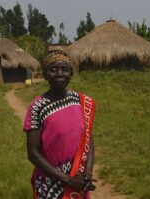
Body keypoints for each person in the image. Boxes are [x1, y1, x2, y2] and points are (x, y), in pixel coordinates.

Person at [23, 50, 96, 199]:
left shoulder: (80, 101)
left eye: (65, 69)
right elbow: (33, 154)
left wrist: (87, 173)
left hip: (78, 179)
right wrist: (68, 179)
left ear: (71, 74)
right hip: (51, 183)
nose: (59, 74)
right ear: (45, 74)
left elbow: (88, 139)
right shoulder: (38, 107)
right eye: (53, 69)